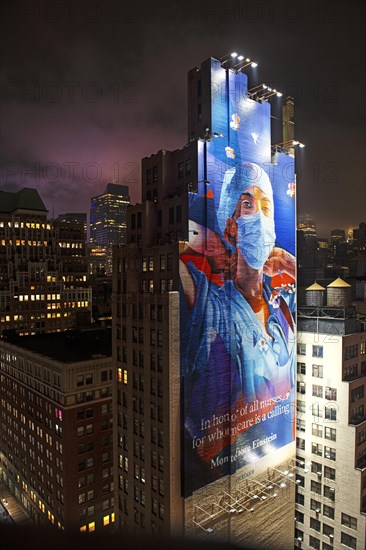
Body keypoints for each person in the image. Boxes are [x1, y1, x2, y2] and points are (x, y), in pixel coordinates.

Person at [180, 162, 296, 491]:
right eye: (247, 204)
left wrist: (291, 265)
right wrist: (205, 246)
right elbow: (170, 266)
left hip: (281, 464)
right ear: (231, 225)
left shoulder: (285, 303)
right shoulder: (214, 307)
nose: (258, 215)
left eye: (266, 206)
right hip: (221, 488)